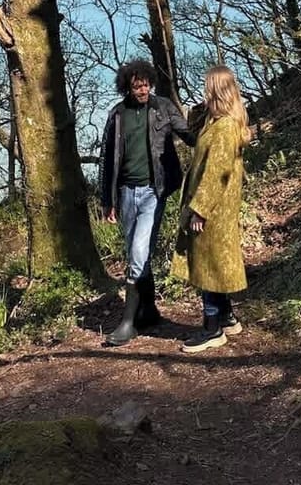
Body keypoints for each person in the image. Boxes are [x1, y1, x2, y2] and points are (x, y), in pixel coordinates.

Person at [99, 59, 194, 348]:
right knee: (136, 252)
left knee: (138, 252)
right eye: (136, 85)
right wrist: (107, 200)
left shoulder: (163, 107)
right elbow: (106, 159)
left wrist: (212, 132)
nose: (142, 90)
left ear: (151, 83)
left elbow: (187, 134)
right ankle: (150, 310)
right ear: (127, 86)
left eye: (145, 84)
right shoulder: (117, 115)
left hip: (155, 190)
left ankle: (128, 323)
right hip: (126, 193)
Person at [171, 64, 251, 353]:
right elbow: (192, 132)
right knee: (215, 263)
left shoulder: (226, 127)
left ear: (216, 90)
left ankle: (212, 328)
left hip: (213, 208)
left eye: (208, 88)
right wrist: (198, 110)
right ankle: (227, 317)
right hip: (218, 208)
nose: (204, 92)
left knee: (206, 266)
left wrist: (200, 209)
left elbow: (217, 172)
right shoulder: (215, 122)